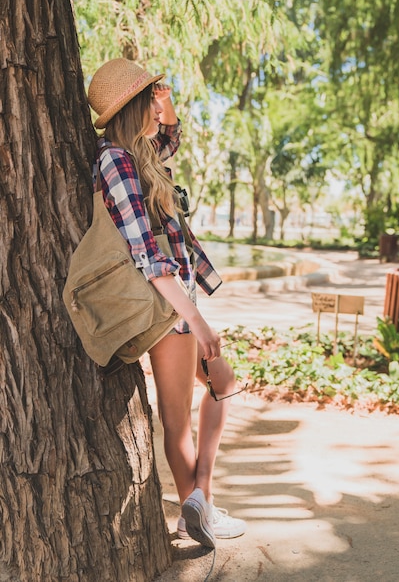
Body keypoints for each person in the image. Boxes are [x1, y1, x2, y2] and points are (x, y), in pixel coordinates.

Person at [87, 58, 246, 549]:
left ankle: (199, 501)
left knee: (224, 384)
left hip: (179, 298)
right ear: (133, 108)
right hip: (165, 305)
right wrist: (195, 320)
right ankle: (195, 509)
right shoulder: (116, 160)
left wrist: (165, 94)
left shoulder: (143, 153)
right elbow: (146, 253)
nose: (160, 111)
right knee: (177, 415)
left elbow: (172, 135)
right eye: (151, 101)